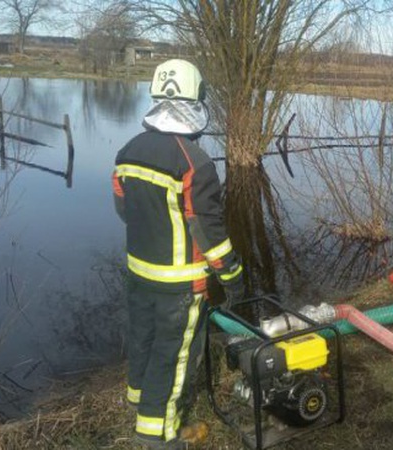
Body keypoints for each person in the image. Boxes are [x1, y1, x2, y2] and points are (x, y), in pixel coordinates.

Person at [112, 59, 245, 448]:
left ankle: (138, 403)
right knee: (173, 359)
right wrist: (232, 275)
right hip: (179, 286)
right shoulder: (195, 163)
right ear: (195, 103)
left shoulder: (127, 152)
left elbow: (123, 210)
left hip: (138, 275)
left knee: (143, 341)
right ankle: (158, 436)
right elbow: (208, 233)